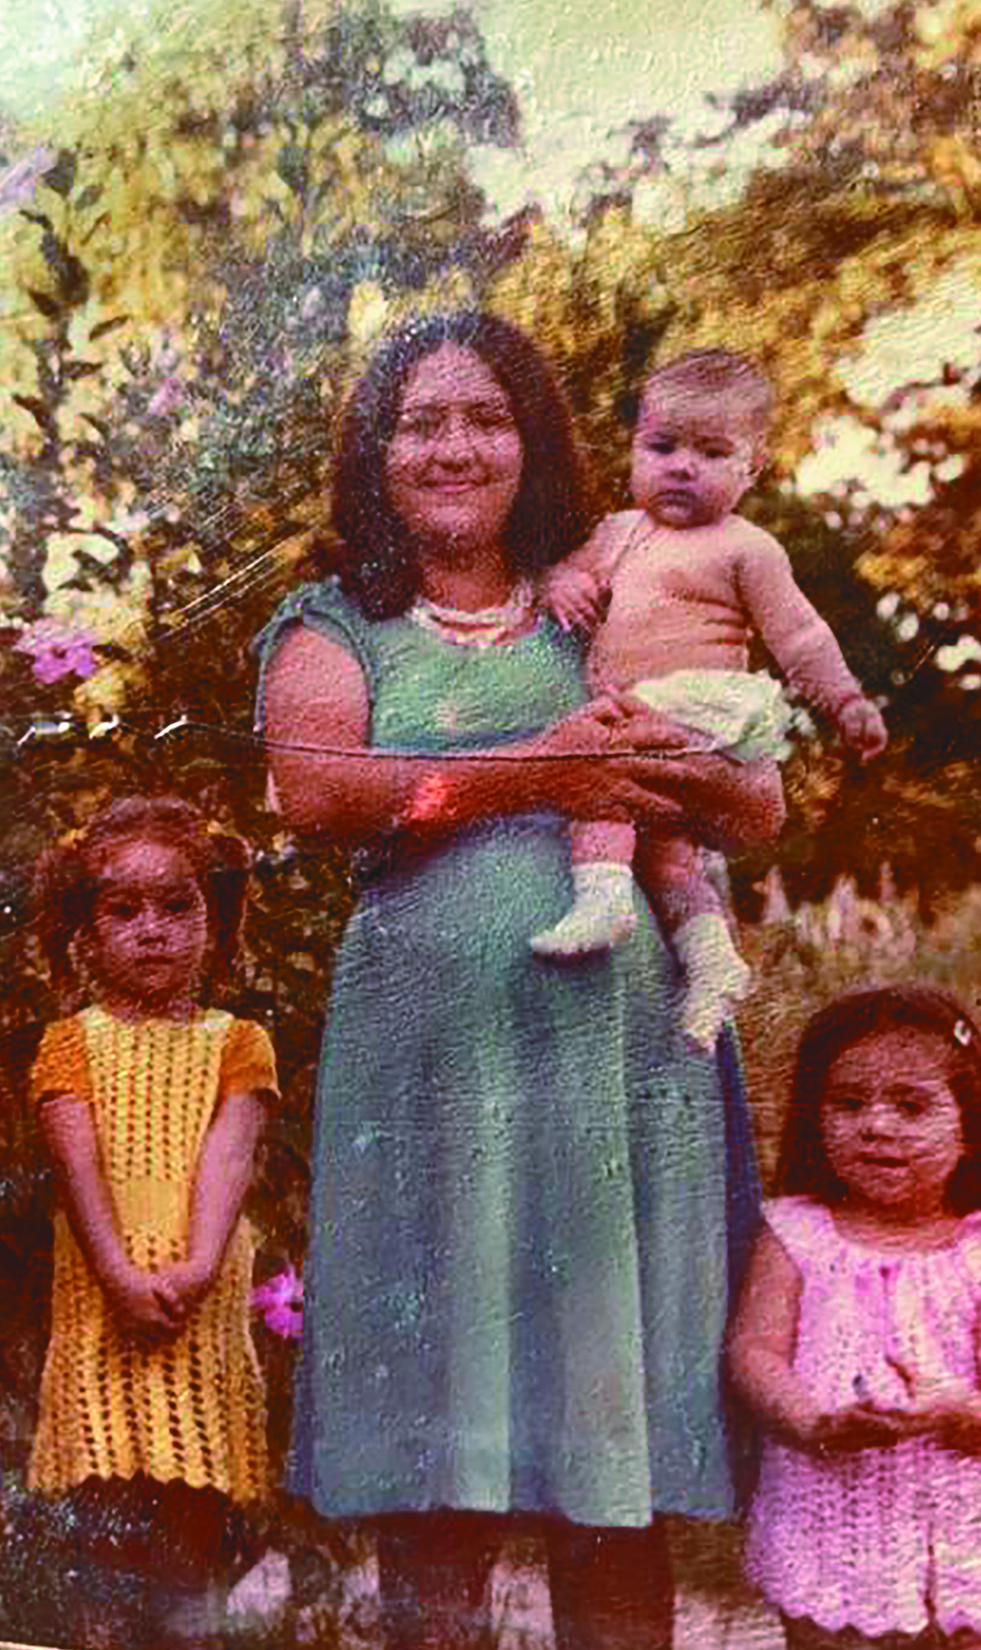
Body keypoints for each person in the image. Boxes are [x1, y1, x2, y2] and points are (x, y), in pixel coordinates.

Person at [254, 310, 774, 1650]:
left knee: (610, 1474)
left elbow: (756, 805)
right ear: (373, 454)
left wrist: (671, 760)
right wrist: (540, 770)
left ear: (533, 442)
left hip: (619, 1085)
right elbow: (318, 790)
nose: (454, 447)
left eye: (486, 418)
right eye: (420, 421)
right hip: (433, 1085)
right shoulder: (336, 622)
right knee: (444, 1462)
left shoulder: (607, 590)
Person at [535, 349, 888, 1046]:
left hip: (696, 706)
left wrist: (844, 701)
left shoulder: (744, 547)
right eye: (662, 446)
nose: (682, 467)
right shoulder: (616, 533)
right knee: (667, 856)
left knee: (599, 775)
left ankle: (602, 897)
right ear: (635, 448)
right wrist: (562, 583)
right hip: (646, 710)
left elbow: (800, 635)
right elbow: (563, 576)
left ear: (751, 468)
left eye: (712, 452)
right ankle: (712, 958)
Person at [729, 984, 981, 1650]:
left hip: (967, 1544)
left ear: (968, 1122)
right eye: (848, 1103)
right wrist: (812, 1422)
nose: (875, 1125)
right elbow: (753, 1354)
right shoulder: (794, 1235)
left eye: (911, 1105)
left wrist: (954, 1409)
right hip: (827, 1527)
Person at [29, 796, 278, 1642]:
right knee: (104, 1536)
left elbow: (229, 1159)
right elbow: (77, 1169)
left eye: (177, 907)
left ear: (215, 921)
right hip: (106, 1311)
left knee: (187, 1538)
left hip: (194, 1309)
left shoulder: (236, 1042)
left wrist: (197, 1267)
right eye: (124, 910)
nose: (152, 931)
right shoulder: (72, 1043)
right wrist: (117, 1276)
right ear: (86, 932)